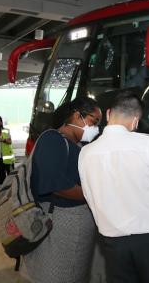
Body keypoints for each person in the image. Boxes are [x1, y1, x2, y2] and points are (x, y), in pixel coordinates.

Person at [78, 91, 149, 283]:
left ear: (107, 114)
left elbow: (90, 198)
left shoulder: (86, 153)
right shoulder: (147, 144)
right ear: (135, 121)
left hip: (112, 244)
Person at [23, 97, 102, 283]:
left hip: (76, 226)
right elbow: (56, 185)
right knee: (58, 274)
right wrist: (94, 194)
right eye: (94, 122)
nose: (96, 128)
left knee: (73, 274)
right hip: (59, 223)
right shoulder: (53, 139)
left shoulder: (80, 145)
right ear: (77, 116)